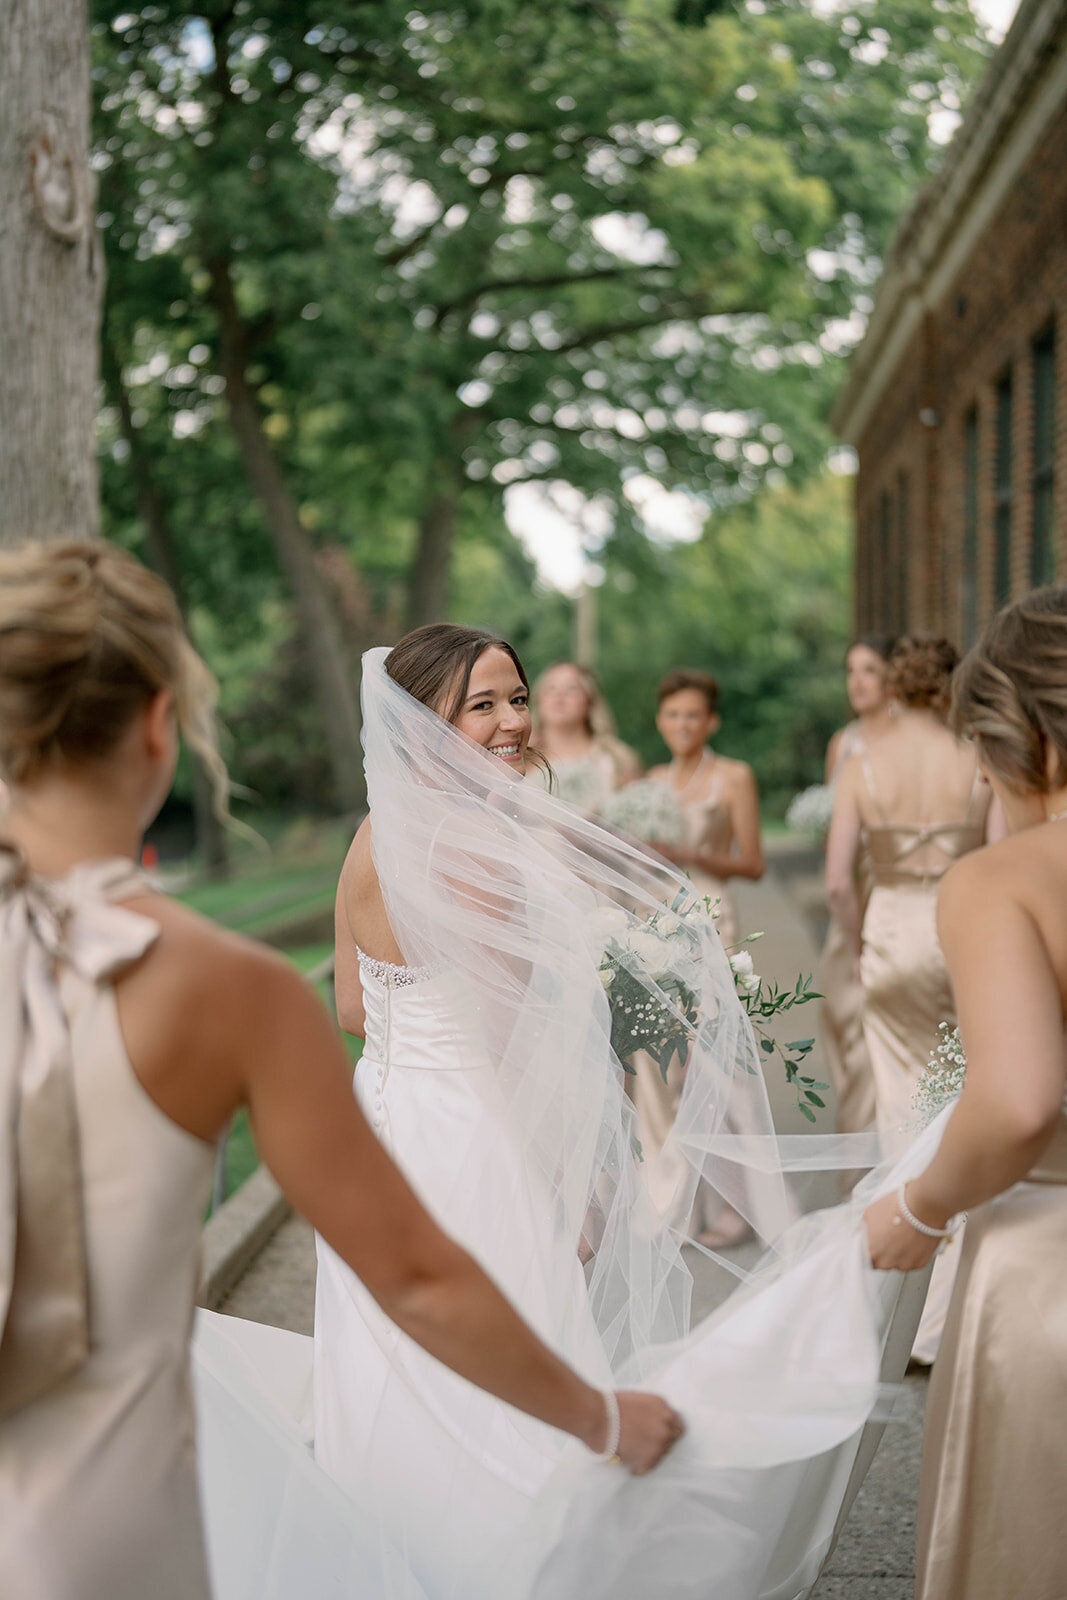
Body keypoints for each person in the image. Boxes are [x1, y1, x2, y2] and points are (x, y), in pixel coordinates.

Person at [0, 544, 679, 1600]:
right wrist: (602, 1413)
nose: (507, 723)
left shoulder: (372, 843)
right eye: (479, 705)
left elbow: (358, 1004)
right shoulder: (224, 985)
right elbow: (416, 1273)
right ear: (157, 727)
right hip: (105, 1515)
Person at [865, 587, 1067, 1600]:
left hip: (1046, 1277)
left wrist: (916, 1206)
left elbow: (1017, 1099)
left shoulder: (1004, 880)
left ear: (1032, 738)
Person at [827, 634, 994, 1364]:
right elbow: (991, 861)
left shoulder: (860, 764)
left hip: (890, 934)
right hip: (960, 931)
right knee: (956, 1101)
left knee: (899, 1111)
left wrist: (862, 941)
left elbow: (837, 880)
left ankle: (900, 1310)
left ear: (894, 688)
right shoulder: (977, 760)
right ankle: (950, 1306)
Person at [820, 636, 896, 1143]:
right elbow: (836, 828)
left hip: (890, 894)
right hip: (848, 898)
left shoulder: (914, 741)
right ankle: (855, 1145)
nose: (858, 681)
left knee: (882, 1030)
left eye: (870, 669)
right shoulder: (842, 744)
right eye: (851, 671)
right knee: (841, 1022)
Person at [530, 660, 641, 814]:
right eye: (550, 688)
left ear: (589, 701)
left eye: (571, 689)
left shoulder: (617, 760)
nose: (559, 695)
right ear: (538, 700)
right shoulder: (523, 759)